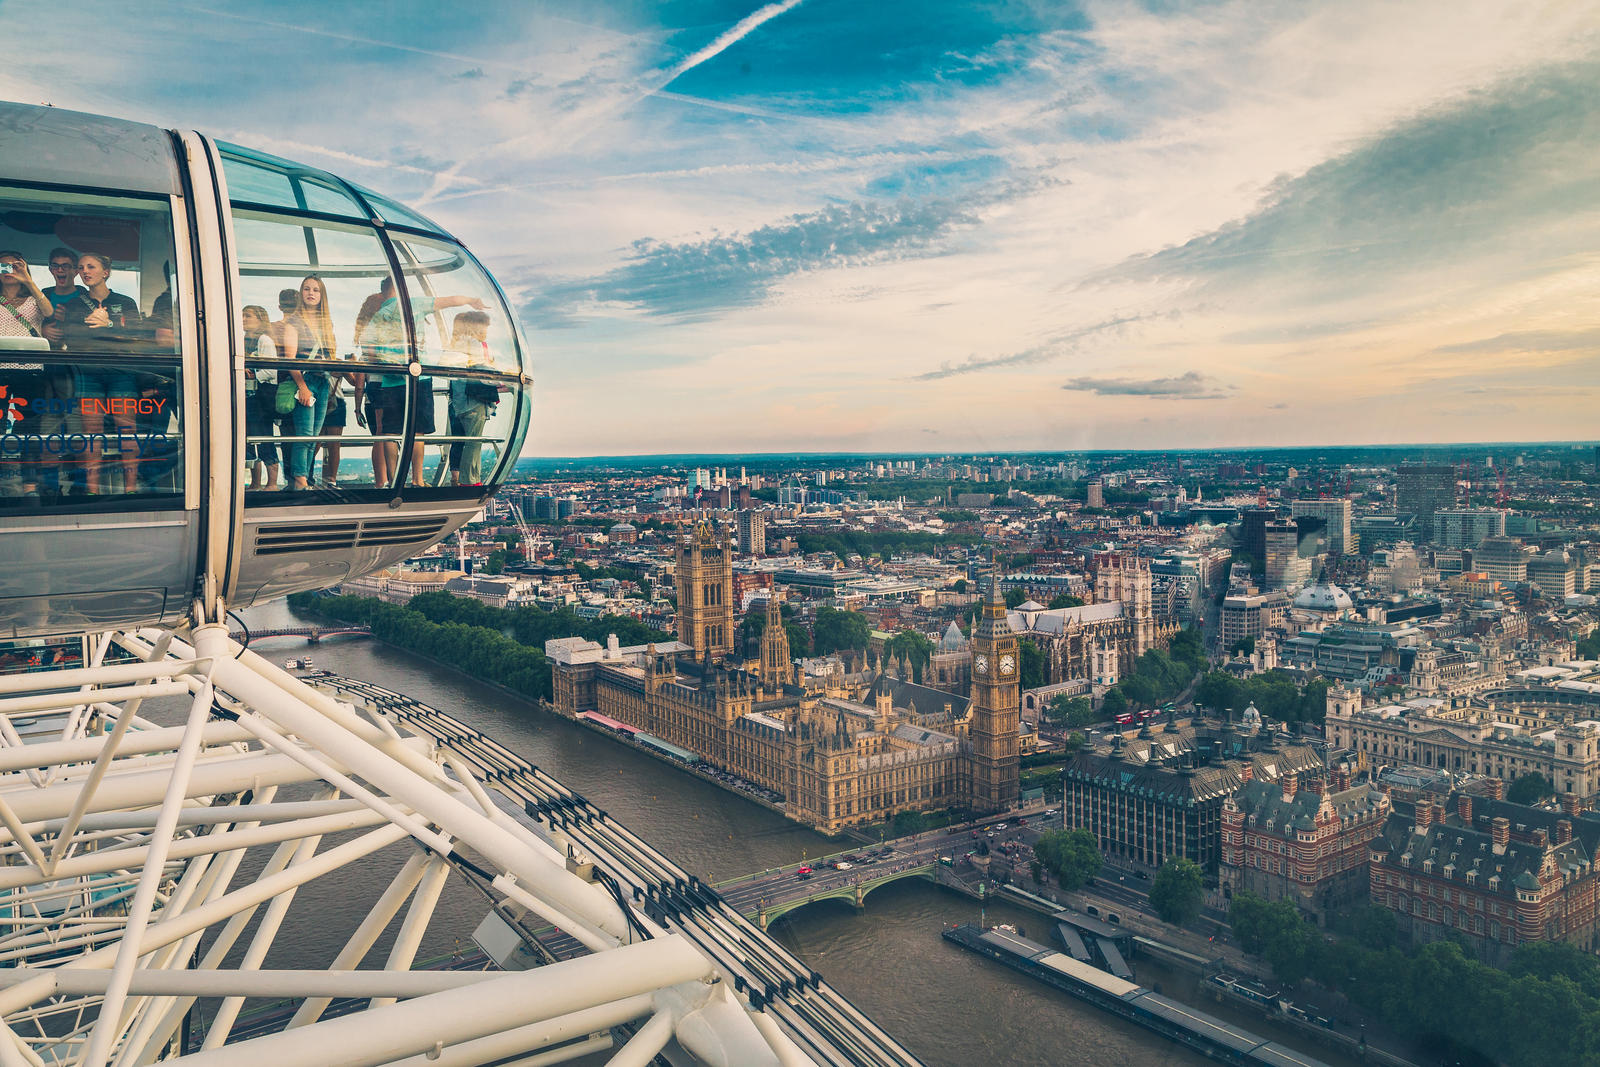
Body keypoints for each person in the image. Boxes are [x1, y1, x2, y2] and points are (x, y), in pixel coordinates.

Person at [356, 285, 488, 489]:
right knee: (418, 432)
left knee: (390, 433)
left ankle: (392, 480)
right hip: (417, 379)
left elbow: (369, 350)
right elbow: (449, 299)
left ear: (384, 293)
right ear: (399, 288)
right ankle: (417, 479)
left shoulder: (378, 316)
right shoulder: (414, 304)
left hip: (390, 380)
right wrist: (471, 299)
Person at [56, 253, 144, 494]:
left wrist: (109, 326)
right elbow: (70, 339)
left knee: (127, 429)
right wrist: (92, 328)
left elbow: (137, 336)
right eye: (82, 267)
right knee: (91, 431)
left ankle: (131, 490)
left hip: (121, 370)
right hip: (89, 371)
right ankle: (92, 491)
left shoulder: (125, 302)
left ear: (105, 272)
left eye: (91, 267)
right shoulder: (74, 304)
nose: (85, 271)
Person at [281, 275, 335, 491]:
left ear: (322, 295)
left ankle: (303, 478)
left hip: (323, 381)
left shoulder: (325, 323)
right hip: (305, 381)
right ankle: (300, 480)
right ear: (301, 293)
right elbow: (290, 358)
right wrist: (303, 387)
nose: (311, 293)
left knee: (314, 437)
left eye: (316, 290)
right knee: (304, 434)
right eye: (306, 289)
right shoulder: (294, 322)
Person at [444, 311, 502, 486]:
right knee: (474, 442)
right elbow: (482, 372)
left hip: (460, 402)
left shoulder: (457, 345)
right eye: (484, 326)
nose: (486, 330)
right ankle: (470, 480)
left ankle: (468, 479)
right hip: (474, 401)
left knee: (466, 441)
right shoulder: (474, 345)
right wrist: (498, 380)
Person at [241, 305, 279, 490]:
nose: (243, 318)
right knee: (250, 439)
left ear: (260, 319)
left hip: (261, 398)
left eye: (248, 315)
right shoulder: (244, 339)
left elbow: (271, 370)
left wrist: (252, 375)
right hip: (248, 397)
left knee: (264, 437)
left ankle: (271, 483)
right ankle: (256, 482)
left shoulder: (264, 340)